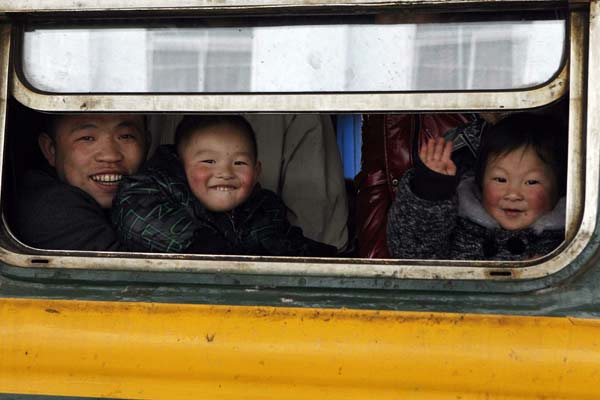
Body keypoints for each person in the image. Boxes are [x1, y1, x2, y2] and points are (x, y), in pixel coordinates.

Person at [113, 115, 336, 256]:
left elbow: (287, 246)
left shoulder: (264, 209)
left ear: (256, 172)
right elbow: (139, 221)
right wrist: (212, 248)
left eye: (239, 163)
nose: (225, 173)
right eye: (209, 161)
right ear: (181, 165)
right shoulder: (148, 191)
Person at [387, 113, 567, 260]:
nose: (513, 194)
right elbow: (413, 255)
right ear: (481, 183)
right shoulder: (460, 226)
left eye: (531, 182)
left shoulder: (568, 242)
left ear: (559, 189)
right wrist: (431, 190)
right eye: (500, 179)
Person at [13, 113, 148, 251]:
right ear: (51, 149)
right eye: (87, 138)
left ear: (147, 143)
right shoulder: (50, 207)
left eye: (126, 136)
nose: (110, 156)